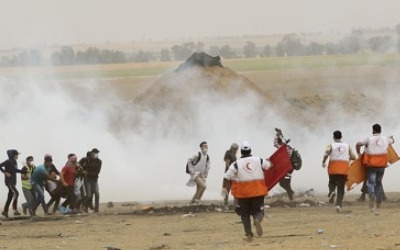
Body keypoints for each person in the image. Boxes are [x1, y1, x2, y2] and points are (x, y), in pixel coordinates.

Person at [222, 141, 272, 241]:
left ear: (241, 151)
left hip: (243, 194)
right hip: (258, 192)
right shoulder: (259, 160)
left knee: (244, 214)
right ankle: (257, 219)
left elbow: (227, 176)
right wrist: (269, 161)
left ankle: (249, 235)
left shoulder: (236, 164)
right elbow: (270, 166)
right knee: (259, 211)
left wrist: (224, 188)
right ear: (250, 150)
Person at [356, 124, 394, 211]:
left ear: (373, 130)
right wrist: (391, 138)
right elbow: (392, 141)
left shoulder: (368, 139)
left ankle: (372, 195)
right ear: (380, 130)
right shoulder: (385, 139)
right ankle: (379, 202)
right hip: (381, 165)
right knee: (379, 183)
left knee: (371, 183)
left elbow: (358, 144)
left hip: (371, 165)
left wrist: (359, 154)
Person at [322, 130, 356, 213]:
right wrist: (347, 158)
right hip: (344, 169)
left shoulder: (331, 145)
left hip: (333, 169)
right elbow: (353, 157)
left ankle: (332, 191)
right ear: (341, 137)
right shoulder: (347, 146)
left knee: (332, 182)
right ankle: (338, 205)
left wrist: (323, 162)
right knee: (341, 188)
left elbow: (326, 153)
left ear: (333, 137)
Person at [0, 149, 24, 218]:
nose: (17, 156)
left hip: (13, 181)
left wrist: (23, 171)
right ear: (13, 155)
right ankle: (15, 210)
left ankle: (5, 211)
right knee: (16, 193)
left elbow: (15, 170)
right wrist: (5, 172)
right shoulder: (8, 161)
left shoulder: (14, 162)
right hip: (9, 182)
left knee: (10, 196)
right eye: (16, 155)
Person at [274, 130, 295, 201]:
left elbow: (275, 143)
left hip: (286, 168)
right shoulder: (288, 147)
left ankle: (290, 193)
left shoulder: (282, 147)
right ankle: (291, 197)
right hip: (290, 168)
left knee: (282, 183)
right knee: (286, 183)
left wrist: (277, 135)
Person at [82, 148, 102, 213]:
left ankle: (96, 209)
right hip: (87, 180)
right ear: (91, 153)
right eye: (94, 153)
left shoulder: (99, 161)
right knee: (89, 195)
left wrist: (87, 173)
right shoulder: (87, 160)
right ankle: (85, 207)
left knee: (97, 193)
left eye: (97, 153)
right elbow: (79, 165)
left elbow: (97, 172)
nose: (95, 155)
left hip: (95, 179)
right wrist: (82, 171)